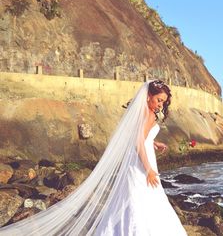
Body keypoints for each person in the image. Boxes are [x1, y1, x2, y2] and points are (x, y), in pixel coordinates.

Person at [0, 80, 187, 235]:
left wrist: (153, 142)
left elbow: (138, 137)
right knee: (140, 200)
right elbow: (138, 142)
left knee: (132, 199)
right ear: (148, 96)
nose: (161, 104)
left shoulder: (143, 113)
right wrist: (148, 169)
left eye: (163, 101)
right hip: (141, 163)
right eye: (159, 100)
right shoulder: (148, 115)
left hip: (136, 160)